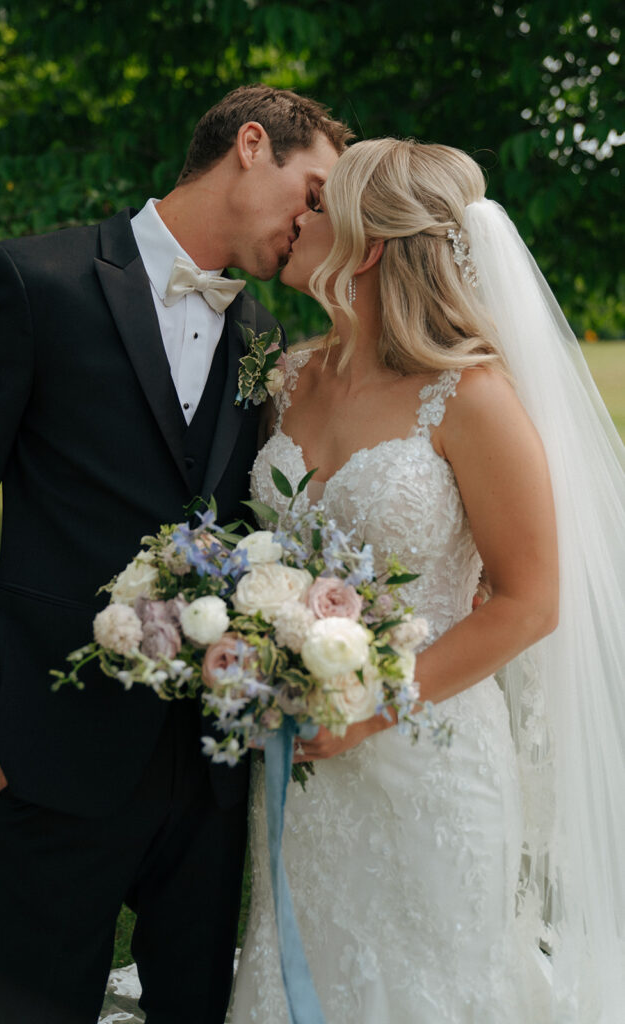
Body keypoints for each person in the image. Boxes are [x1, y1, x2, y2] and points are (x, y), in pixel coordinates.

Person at [0, 84, 347, 1024]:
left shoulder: (264, 338)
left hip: (212, 774)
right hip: (51, 750)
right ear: (252, 144)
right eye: (315, 188)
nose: (317, 220)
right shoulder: (33, 283)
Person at [231, 138, 625, 1022]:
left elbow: (530, 601)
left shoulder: (471, 396)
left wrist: (369, 708)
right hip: (299, 752)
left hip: (428, 750)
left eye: (320, 205)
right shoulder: (287, 376)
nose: (299, 215)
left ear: (365, 247)